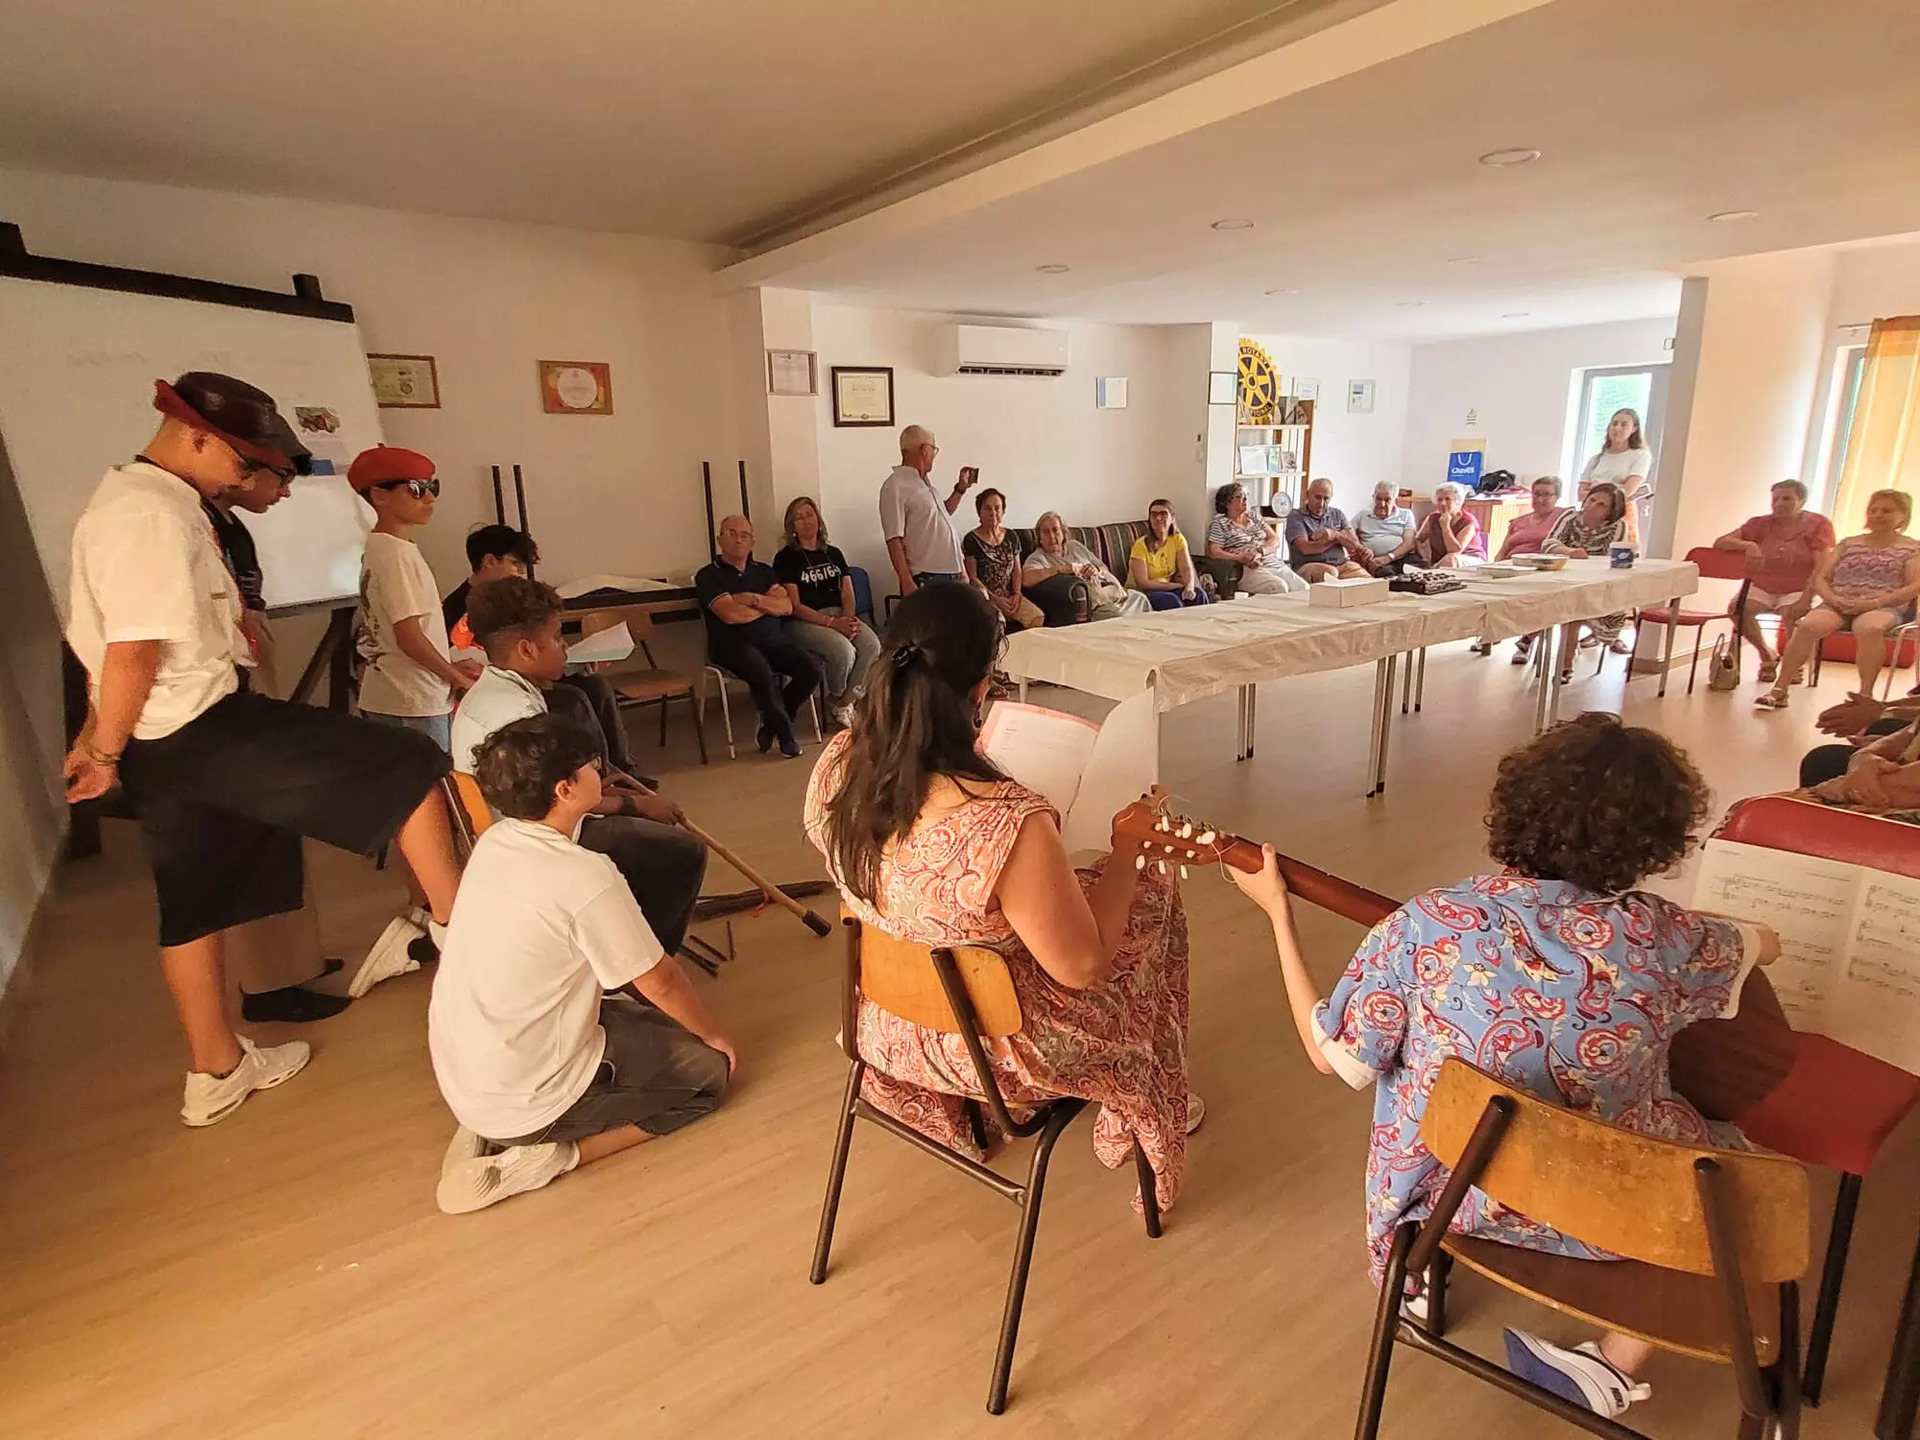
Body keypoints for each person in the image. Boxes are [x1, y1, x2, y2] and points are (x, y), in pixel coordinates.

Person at [1229, 713, 1775, 1422]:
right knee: (1735, 1183)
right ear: (1656, 841)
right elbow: (1765, 943)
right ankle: (1611, 1365)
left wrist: (1277, 911)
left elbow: (1334, 1058)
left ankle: (1416, 1287)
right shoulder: (1663, 936)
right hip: (1619, 1211)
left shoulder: (1428, 924)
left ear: (1516, 808)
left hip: (1451, 1201)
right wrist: (1673, 922)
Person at [64, 372, 461, 1125]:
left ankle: (215, 1071)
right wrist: (103, 752)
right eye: (249, 466)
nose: (254, 482)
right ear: (197, 436)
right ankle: (463, 937)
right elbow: (131, 651)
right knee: (410, 763)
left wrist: (100, 738)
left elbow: (115, 646)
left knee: (194, 904)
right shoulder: (151, 515)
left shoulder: (141, 500)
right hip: (199, 726)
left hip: (163, 735)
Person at [804, 583, 1197, 1211]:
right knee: (1153, 894)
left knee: (1050, 905)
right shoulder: (1006, 821)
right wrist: (1126, 848)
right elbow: (1084, 967)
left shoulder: (839, 762)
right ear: (982, 688)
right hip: (998, 1043)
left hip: (883, 1018)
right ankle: (1142, 1088)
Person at [431, 713, 733, 1215]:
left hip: (467, 1071)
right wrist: (712, 1036)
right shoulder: (584, 874)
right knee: (708, 1077)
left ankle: (490, 1124)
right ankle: (556, 1155)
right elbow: (659, 979)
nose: (601, 772)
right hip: (527, 1094)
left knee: (644, 1024)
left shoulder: (495, 843)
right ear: (567, 789)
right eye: (591, 766)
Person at [452, 577, 707, 959]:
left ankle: (618, 934)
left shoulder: (493, 691)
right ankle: (641, 963)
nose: (564, 646)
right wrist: (632, 805)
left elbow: (556, 789)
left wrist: (606, 789)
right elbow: (559, 805)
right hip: (538, 840)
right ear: (526, 649)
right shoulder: (518, 716)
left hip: (514, 830)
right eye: (557, 637)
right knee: (685, 852)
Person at [201, 461, 351, 1024]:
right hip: (230, 694)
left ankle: (294, 962)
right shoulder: (190, 523)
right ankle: (268, 984)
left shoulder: (223, 520)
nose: (287, 491)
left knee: (280, 828)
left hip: (250, 658)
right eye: (278, 478)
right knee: (255, 831)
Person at [440, 525, 641, 779]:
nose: (521, 574)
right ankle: (591, 777)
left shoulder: (516, 599)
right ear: (489, 561)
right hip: (496, 680)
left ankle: (618, 767)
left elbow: (537, 647)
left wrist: (576, 660)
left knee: (596, 685)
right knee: (573, 699)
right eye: (515, 564)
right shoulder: (456, 610)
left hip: (526, 672)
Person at [348, 445, 481, 753]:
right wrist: (457, 678)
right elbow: (408, 638)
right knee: (431, 788)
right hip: (410, 700)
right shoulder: (393, 554)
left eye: (433, 487)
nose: (430, 498)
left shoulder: (393, 547)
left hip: (407, 694)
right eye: (416, 489)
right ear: (379, 495)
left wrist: (453, 667)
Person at [1758, 488, 1920, 711]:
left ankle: (1865, 696)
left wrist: (1873, 603)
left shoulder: (1912, 548)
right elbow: (1822, 577)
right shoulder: (1849, 543)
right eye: (1874, 510)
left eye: (1887, 511)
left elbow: (1914, 586)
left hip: (1884, 605)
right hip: (1838, 602)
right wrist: (1832, 598)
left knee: (1869, 628)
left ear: (1903, 516)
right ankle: (1780, 689)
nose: (1878, 515)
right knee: (1807, 626)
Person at [696, 514, 819, 758]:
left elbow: (786, 607)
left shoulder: (764, 572)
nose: (738, 540)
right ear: (720, 539)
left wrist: (750, 599)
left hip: (773, 642)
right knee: (761, 672)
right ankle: (786, 736)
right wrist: (765, 604)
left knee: (811, 669)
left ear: (752, 542)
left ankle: (772, 724)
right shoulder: (709, 575)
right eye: (731, 533)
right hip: (732, 646)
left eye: (744, 535)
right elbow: (730, 615)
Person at [1714, 481, 1838, 685]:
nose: (1779, 504)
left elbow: (1821, 566)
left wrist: (1806, 598)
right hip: (1763, 584)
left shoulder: (1818, 524)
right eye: (1775, 499)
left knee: (1794, 614)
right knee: (1737, 609)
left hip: (1800, 586)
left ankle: (1794, 665)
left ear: (1802, 501)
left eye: (1787, 498)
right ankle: (1767, 655)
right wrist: (1749, 545)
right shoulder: (1759, 523)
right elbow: (1721, 542)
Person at [774, 495, 880, 728]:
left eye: (810, 515)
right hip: (804, 621)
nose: (806, 521)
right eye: (798, 518)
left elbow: (847, 592)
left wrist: (848, 619)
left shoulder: (833, 553)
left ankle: (844, 702)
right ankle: (836, 698)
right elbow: (794, 605)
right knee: (843, 651)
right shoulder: (786, 558)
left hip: (839, 614)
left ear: (819, 520)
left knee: (872, 645)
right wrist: (832, 623)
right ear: (791, 527)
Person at [1470, 476, 1570, 660]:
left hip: (1542, 569)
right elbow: (1504, 548)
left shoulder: (1564, 517)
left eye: (1547, 495)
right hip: (1512, 566)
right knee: (1489, 589)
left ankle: (1527, 640)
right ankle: (1492, 633)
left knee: (1541, 597)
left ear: (1557, 496)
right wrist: (1495, 566)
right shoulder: (1519, 521)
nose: (1540, 499)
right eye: (1537, 494)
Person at [1542, 481, 1633, 672]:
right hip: (1563, 578)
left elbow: (1609, 560)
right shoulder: (1570, 516)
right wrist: (1569, 551)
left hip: (1597, 586)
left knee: (1573, 607)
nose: (1592, 506)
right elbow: (1549, 543)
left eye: (1601, 504)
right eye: (1591, 499)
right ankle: (1542, 649)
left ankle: (1564, 665)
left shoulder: (1618, 527)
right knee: (1552, 602)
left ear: (1611, 511)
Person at [880, 423, 974, 596]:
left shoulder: (925, 484)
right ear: (924, 449)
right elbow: (894, 539)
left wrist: (960, 489)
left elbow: (942, 515)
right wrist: (906, 580)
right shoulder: (895, 486)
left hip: (951, 573)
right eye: (933, 449)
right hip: (927, 577)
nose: (934, 455)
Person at [1024, 510, 1150, 619]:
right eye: (1046, 532)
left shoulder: (1075, 546)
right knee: (1117, 617)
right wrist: (1060, 569)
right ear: (1039, 537)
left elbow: (1103, 567)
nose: (1052, 536)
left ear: (1063, 533)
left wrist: (1095, 569)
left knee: (1141, 599)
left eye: (1055, 530)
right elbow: (1026, 579)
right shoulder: (1039, 557)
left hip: (1112, 593)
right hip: (1094, 605)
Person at [962, 487, 1044, 631]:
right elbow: (973, 578)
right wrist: (995, 599)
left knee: (1037, 617)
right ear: (979, 513)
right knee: (997, 625)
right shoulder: (971, 539)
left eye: (997, 508)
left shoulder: (1012, 537)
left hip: (1011, 598)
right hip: (987, 598)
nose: (993, 513)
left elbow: (1017, 570)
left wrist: (1017, 594)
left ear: (1003, 511)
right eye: (987, 508)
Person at [1206, 482, 1307, 595]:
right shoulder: (1220, 523)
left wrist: (1260, 551)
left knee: (1304, 588)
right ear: (1227, 502)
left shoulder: (1253, 516)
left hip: (1273, 563)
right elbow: (1214, 552)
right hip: (1248, 569)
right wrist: (1239, 558)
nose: (1245, 500)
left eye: (1246, 496)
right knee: (1278, 587)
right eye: (1239, 497)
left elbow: (1275, 539)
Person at [1579, 408, 1654, 552]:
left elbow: (1628, 489)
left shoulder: (1640, 455)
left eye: (1624, 424)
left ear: (1634, 429)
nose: (1617, 428)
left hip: (1621, 511)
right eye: (1614, 423)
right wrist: (1597, 498)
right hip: (1591, 512)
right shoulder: (1596, 459)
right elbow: (1582, 492)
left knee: (1619, 553)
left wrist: (1598, 495)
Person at [1127, 498, 1211, 609]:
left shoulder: (1177, 539)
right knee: (1172, 601)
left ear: (1172, 518)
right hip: (1143, 592)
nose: (1158, 518)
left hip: (1169, 588)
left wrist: (1189, 587)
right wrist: (1174, 586)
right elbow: (1142, 583)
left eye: (1163, 514)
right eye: (1154, 515)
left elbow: (1186, 568)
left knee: (1199, 595)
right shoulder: (1140, 545)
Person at [1285, 478, 1371, 583]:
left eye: (1326, 499)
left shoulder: (1337, 514)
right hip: (1307, 565)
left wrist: (1334, 534)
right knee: (1330, 573)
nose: (1321, 503)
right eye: (1317, 497)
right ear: (1307, 495)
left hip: (1342, 564)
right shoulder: (1295, 516)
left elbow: (1353, 544)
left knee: (1369, 582)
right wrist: (1341, 538)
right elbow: (1306, 548)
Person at [1409, 482, 1486, 568]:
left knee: (1449, 559)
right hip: (1441, 562)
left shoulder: (1468, 521)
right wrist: (1424, 557)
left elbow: (1454, 550)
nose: (1443, 503)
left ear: (1458, 502)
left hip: (1470, 559)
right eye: (1439, 500)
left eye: (1447, 499)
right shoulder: (1433, 518)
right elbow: (1418, 539)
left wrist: (1445, 526)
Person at [1352, 483, 1418, 575]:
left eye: (1387, 500)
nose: (1382, 504)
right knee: (1385, 575)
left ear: (1395, 500)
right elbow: (1347, 533)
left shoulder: (1406, 514)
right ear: (1373, 497)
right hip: (1377, 560)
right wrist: (1361, 548)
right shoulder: (1362, 515)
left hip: (1403, 557)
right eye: (1378, 499)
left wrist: (1389, 557)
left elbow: (1409, 542)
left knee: (1422, 570)